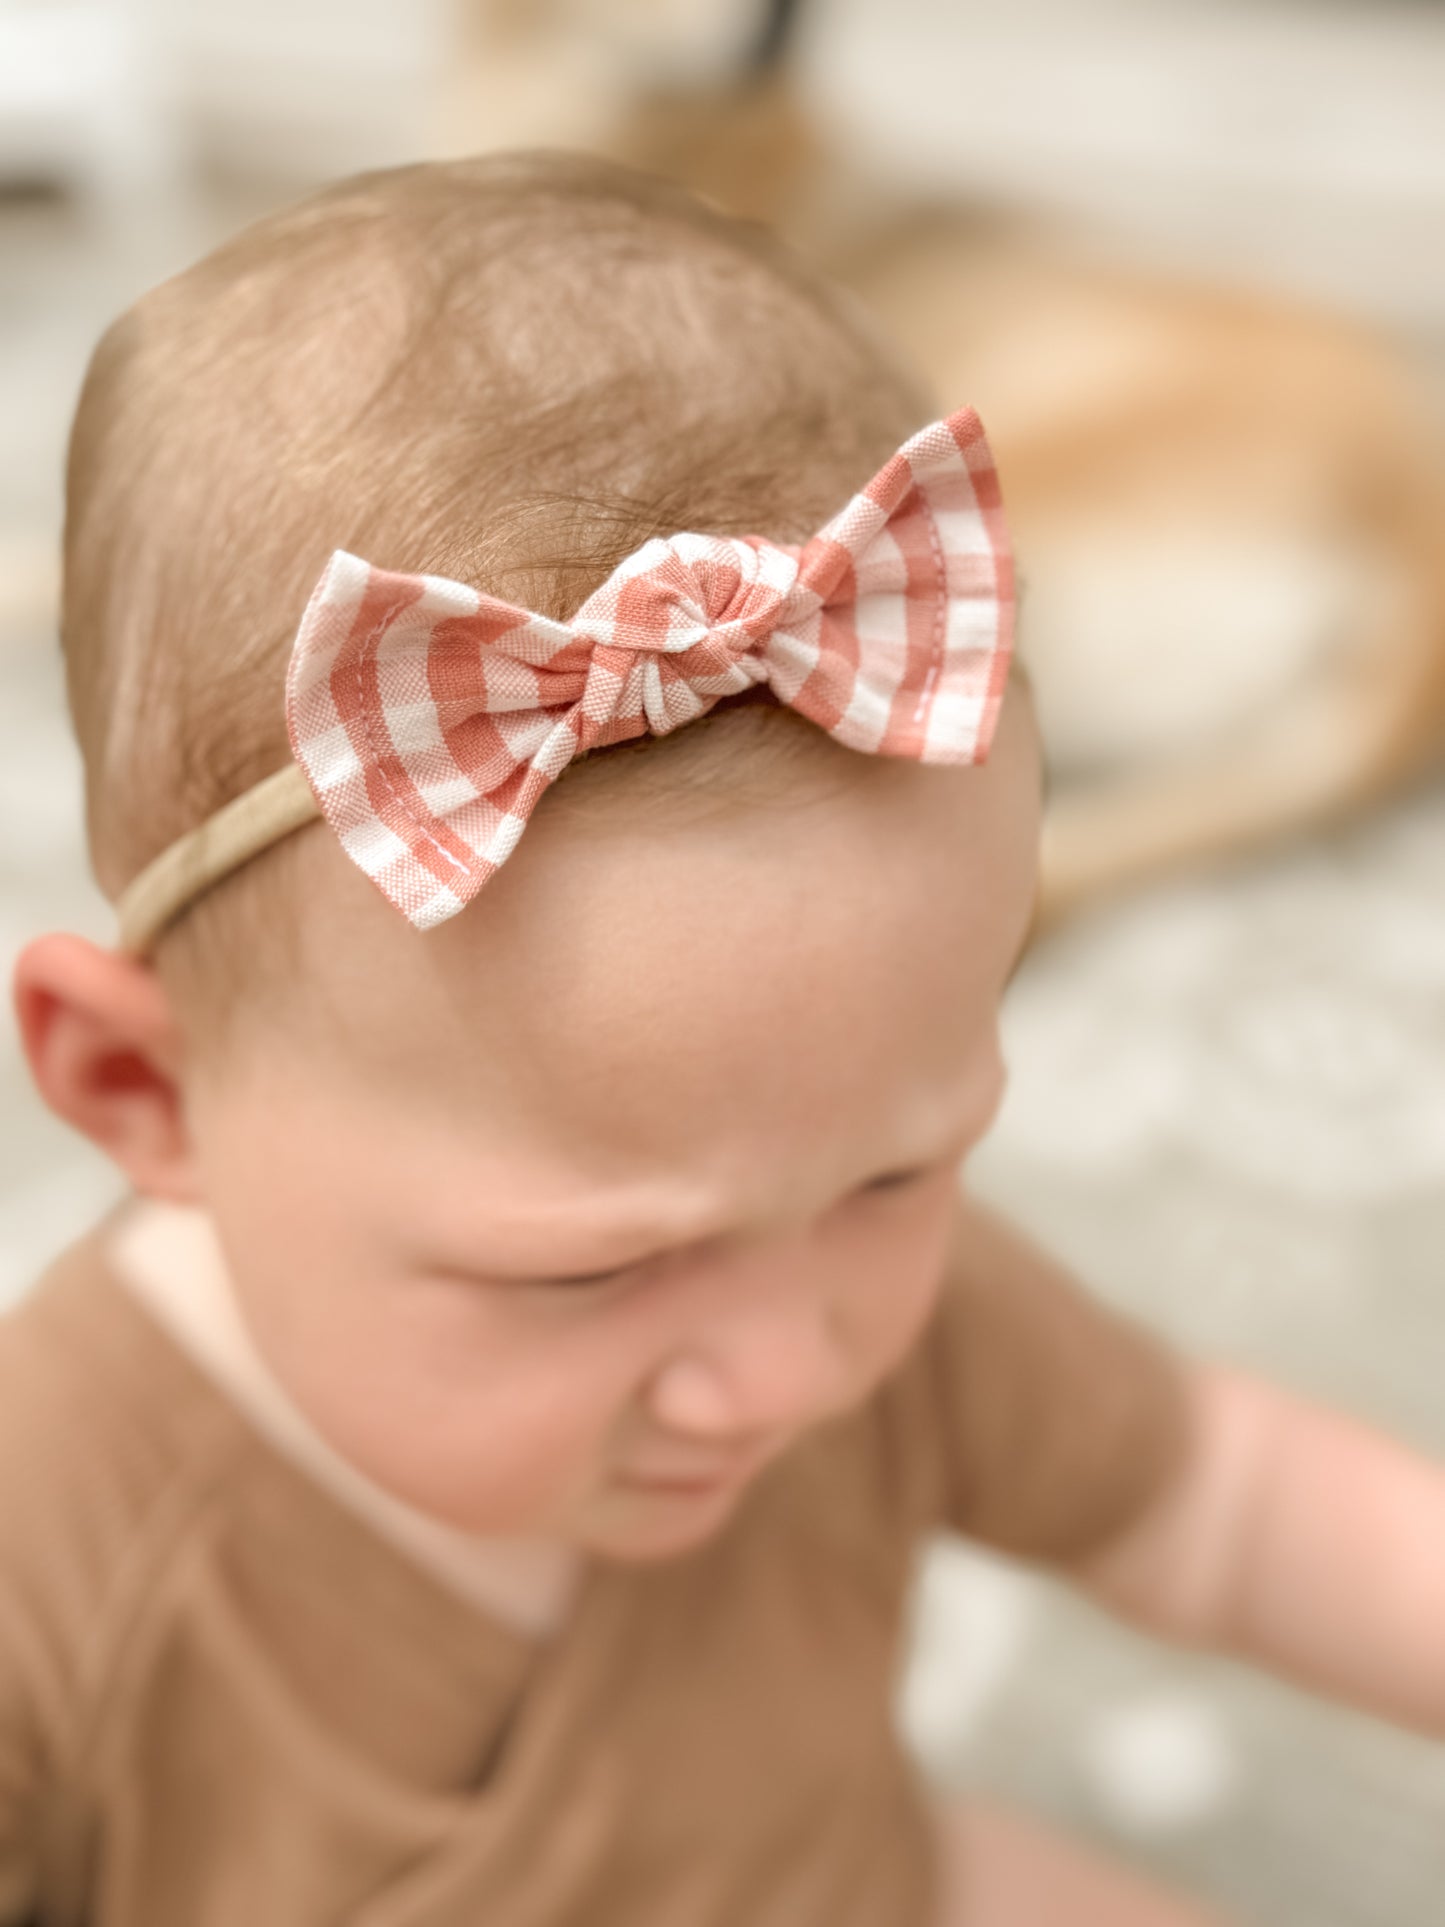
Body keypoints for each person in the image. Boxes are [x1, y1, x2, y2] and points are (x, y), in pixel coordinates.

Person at [4, 152, 1441, 1927]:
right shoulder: (51, 1553)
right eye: (591, 1274)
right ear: (146, 1090)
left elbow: (1221, 1504)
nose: (788, 1374)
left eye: (899, 1171)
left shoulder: (823, 1269)